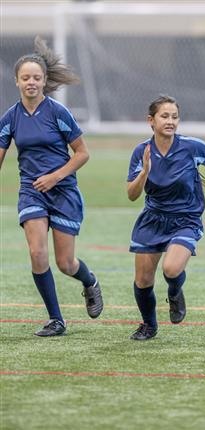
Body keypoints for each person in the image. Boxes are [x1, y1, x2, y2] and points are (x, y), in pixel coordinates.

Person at [0, 37, 103, 337]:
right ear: (17, 82)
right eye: (25, 78)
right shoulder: (10, 118)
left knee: (65, 263)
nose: (31, 82)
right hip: (31, 191)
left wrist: (56, 176)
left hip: (63, 191)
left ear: (44, 81)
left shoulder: (59, 113)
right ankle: (56, 319)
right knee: (37, 254)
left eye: (36, 77)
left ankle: (89, 282)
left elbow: (82, 153)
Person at [126, 95, 205, 341]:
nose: (171, 121)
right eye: (165, 116)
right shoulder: (142, 151)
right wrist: (144, 172)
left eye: (175, 116)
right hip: (153, 219)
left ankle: (175, 292)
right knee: (143, 280)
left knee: (171, 269)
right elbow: (132, 195)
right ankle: (149, 325)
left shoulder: (190, 147)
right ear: (150, 120)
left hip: (185, 218)